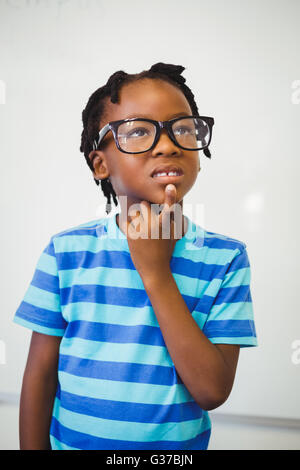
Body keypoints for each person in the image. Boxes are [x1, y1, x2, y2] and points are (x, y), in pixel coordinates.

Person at [13, 62, 258, 450]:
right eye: (140, 131)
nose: (168, 144)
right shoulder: (66, 253)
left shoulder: (225, 259)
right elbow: (40, 375)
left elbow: (212, 390)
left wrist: (156, 275)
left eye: (182, 127)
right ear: (101, 164)